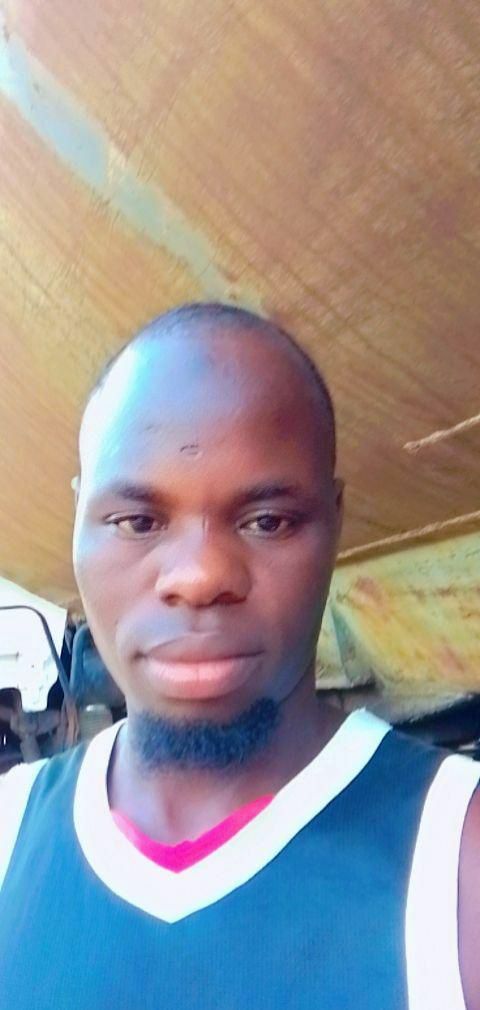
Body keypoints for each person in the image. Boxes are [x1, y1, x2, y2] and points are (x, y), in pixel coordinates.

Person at [0, 303, 479, 1010]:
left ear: (334, 523)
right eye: (137, 521)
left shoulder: (457, 859)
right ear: (79, 520)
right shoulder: (9, 832)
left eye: (268, 521)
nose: (199, 576)